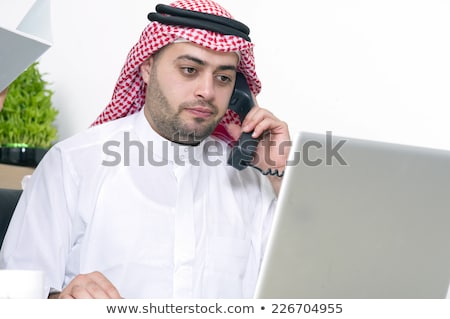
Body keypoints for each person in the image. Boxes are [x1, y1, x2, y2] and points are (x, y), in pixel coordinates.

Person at [0, 0, 291, 299]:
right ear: (147, 69)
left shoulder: (254, 180)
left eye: (223, 78)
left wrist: (280, 177)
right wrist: (59, 302)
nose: (207, 90)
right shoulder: (74, 164)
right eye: (190, 69)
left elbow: (305, 290)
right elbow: (13, 298)